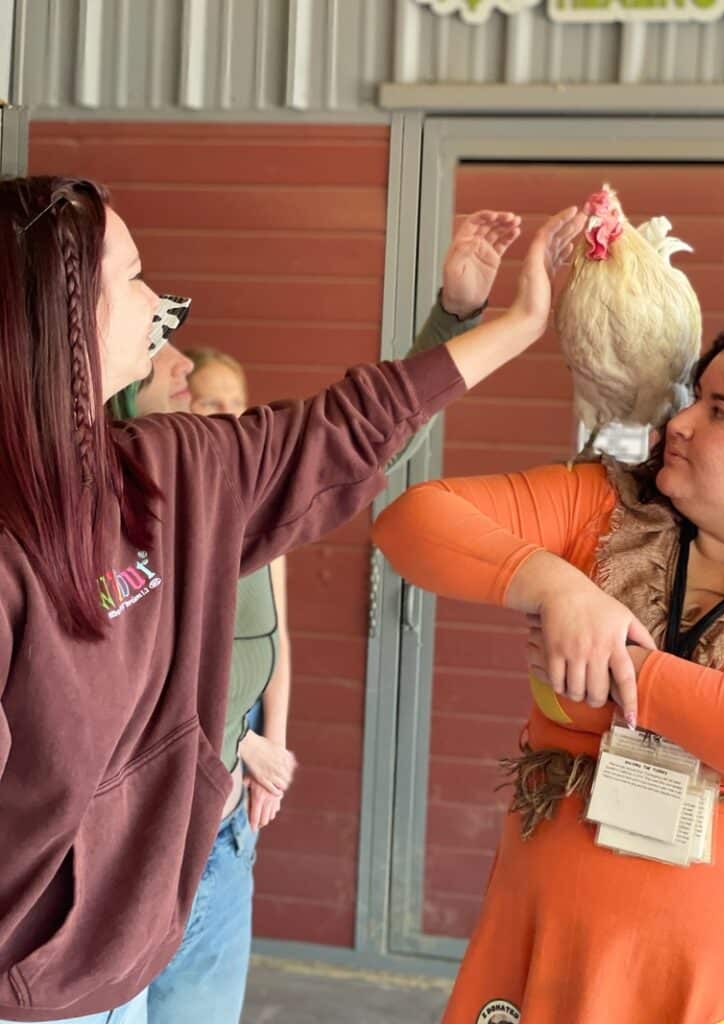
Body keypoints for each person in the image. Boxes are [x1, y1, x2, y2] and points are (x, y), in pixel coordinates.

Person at [0, 174, 581, 1024]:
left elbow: (346, 429)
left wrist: (514, 326)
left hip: (147, 929)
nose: (157, 301)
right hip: (32, 990)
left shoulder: (166, 471)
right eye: (131, 277)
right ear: (63, 314)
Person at [126, 209, 523, 1024]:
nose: (177, 357)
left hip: (224, 821)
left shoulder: (223, 498)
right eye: (159, 339)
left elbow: (362, 444)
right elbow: (104, 683)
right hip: (148, 821)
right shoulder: (119, 507)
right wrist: (231, 744)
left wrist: (456, 318)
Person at [373, 319, 724, 1024]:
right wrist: (558, 587)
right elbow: (410, 520)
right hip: (547, 950)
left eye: (720, 412)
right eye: (694, 397)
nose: (678, 421)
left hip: (716, 984)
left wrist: (631, 673)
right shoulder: (606, 507)